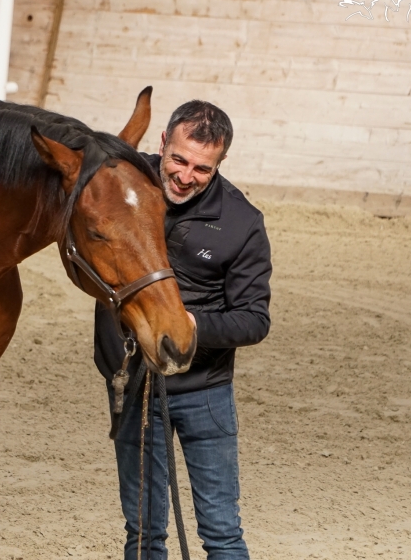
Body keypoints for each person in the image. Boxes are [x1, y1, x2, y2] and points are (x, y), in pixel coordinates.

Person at [93, 100, 272, 560]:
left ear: (220, 164)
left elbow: (255, 318)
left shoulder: (241, 223)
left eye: (202, 168)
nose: (185, 175)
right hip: (134, 389)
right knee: (144, 533)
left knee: (222, 533)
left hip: (204, 391)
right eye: (178, 159)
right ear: (161, 144)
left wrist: (190, 326)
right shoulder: (124, 190)